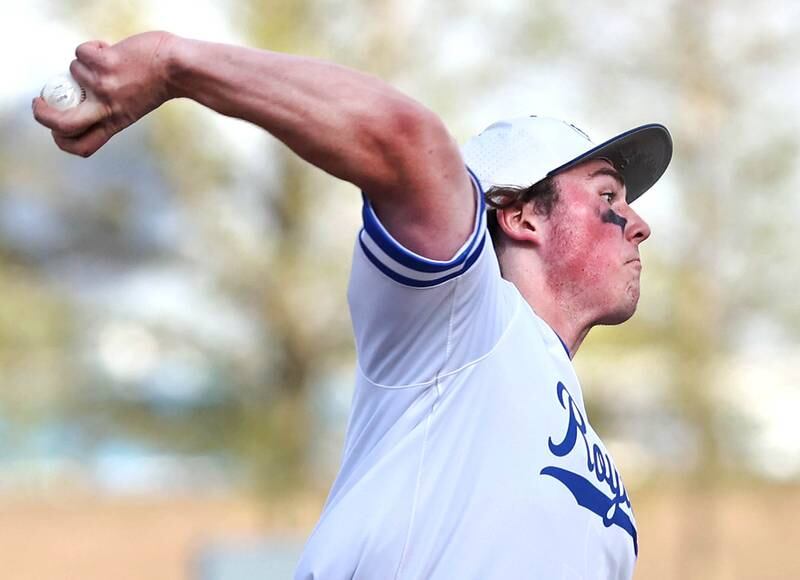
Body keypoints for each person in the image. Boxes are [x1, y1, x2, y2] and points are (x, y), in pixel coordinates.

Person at [33, 31, 672, 580]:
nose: (637, 224)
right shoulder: (462, 319)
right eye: (609, 194)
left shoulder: (576, 432)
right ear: (522, 217)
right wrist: (174, 64)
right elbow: (406, 138)